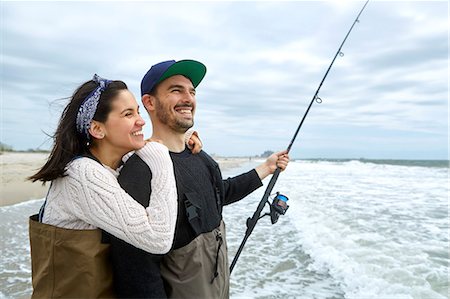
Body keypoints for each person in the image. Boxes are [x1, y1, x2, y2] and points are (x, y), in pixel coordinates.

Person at [110, 60, 290, 298]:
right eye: (176, 90)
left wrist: (265, 168)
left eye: (192, 91)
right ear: (149, 102)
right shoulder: (141, 170)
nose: (188, 98)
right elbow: (135, 270)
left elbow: (219, 194)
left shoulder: (201, 157)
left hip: (217, 285)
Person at [28, 74, 202, 298]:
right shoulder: (82, 175)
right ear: (97, 130)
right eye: (128, 114)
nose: (141, 121)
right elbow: (158, 240)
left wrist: (184, 136)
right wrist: (161, 161)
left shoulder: (111, 164)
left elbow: (144, 147)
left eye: (138, 111)